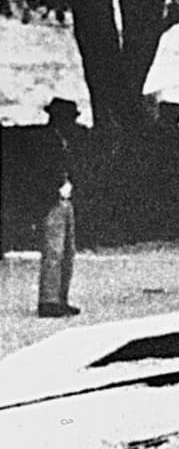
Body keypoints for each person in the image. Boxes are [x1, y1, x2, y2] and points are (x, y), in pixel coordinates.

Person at [36, 97, 82, 318]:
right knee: (55, 250)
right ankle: (50, 300)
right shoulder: (49, 141)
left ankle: (58, 298)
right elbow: (42, 173)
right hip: (52, 199)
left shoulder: (56, 139)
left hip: (60, 197)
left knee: (64, 250)